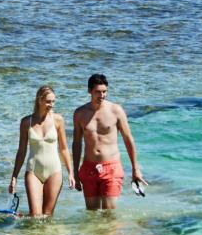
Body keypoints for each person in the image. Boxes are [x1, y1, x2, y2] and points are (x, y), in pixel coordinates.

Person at [72, 73, 147, 211]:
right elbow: (76, 143)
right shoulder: (80, 113)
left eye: (104, 91)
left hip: (111, 168)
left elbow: (128, 139)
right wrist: (75, 172)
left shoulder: (116, 110)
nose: (102, 95)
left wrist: (135, 168)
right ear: (89, 91)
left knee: (109, 213)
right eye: (98, 92)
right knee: (92, 214)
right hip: (88, 168)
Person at [9, 85, 75, 218]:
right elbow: (21, 151)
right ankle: (26, 221)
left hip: (54, 171)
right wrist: (14, 177)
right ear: (39, 100)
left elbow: (64, 148)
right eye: (48, 101)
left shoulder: (58, 120)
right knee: (35, 215)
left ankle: (42, 231)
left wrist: (71, 173)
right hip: (33, 171)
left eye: (53, 101)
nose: (51, 105)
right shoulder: (26, 122)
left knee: (47, 215)